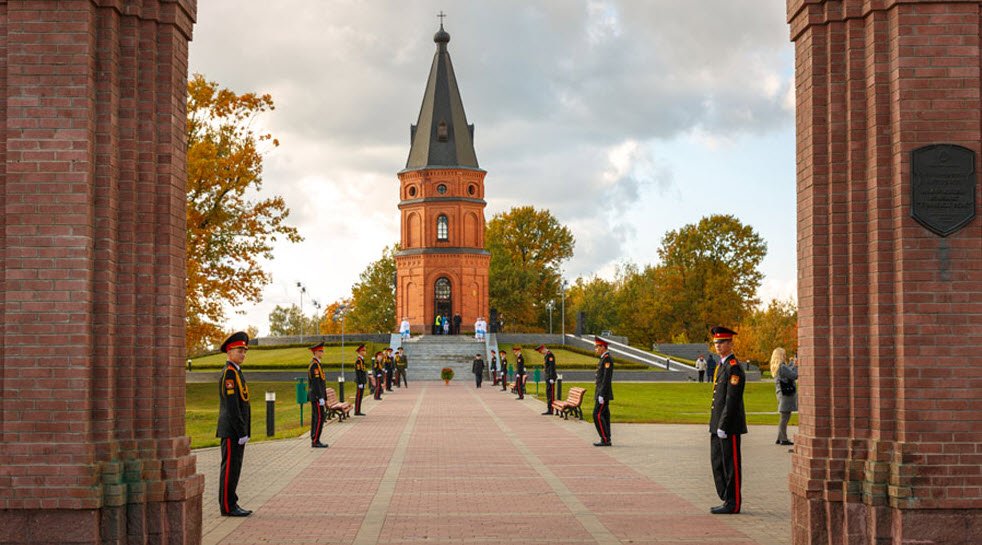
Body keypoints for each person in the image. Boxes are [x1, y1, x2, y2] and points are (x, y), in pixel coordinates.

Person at [708, 326, 747, 515]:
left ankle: (733, 503)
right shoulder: (722, 366)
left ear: (730, 343)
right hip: (718, 424)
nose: (718, 346)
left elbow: (732, 400)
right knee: (718, 462)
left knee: (731, 465)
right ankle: (725, 498)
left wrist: (723, 425)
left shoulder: (734, 367)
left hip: (728, 425)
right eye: (715, 342)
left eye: (722, 342)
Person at [216, 331, 252, 517]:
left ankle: (232, 502)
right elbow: (232, 407)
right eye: (239, 350)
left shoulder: (236, 372)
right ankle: (228, 506)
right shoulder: (229, 374)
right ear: (229, 351)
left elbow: (243, 403)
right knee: (230, 468)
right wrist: (240, 431)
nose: (243, 354)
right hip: (232, 430)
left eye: (244, 351)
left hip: (237, 430)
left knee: (235, 468)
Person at [770, 347, 797, 446]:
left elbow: (788, 371)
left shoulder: (778, 367)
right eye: (784, 354)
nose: (785, 355)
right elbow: (794, 375)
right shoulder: (782, 367)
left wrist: (792, 364)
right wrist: (796, 365)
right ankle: (783, 439)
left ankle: (780, 437)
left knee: (784, 416)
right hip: (786, 395)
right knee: (785, 417)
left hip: (781, 394)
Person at [307, 342, 329, 448]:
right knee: (320, 417)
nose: (322, 352)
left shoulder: (318, 364)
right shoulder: (314, 365)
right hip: (316, 396)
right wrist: (320, 397)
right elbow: (316, 383)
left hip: (317, 396)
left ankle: (314, 438)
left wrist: (325, 397)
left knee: (317, 417)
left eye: (322, 350)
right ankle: (315, 440)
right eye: (320, 351)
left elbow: (322, 383)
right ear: (315, 352)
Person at [593, 337, 614, 446]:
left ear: (603, 347)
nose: (595, 349)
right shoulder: (603, 358)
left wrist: (601, 394)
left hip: (603, 393)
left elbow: (606, 378)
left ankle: (605, 439)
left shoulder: (607, 359)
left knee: (597, 415)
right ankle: (607, 438)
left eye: (597, 347)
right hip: (601, 391)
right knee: (604, 415)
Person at [536, 344, 558, 415]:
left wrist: (551, 378)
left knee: (550, 394)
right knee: (548, 393)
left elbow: (552, 367)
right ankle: (549, 408)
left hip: (550, 377)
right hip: (548, 377)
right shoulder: (547, 355)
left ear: (543, 349)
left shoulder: (550, 355)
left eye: (540, 351)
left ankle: (551, 409)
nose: (541, 353)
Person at [354, 344, 367, 415]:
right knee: (358, 397)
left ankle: (358, 410)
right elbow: (358, 373)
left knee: (360, 396)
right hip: (360, 382)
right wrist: (360, 383)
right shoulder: (358, 361)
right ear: (359, 352)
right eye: (363, 350)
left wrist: (364, 382)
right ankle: (357, 411)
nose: (365, 352)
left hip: (362, 382)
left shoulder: (362, 360)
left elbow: (363, 372)